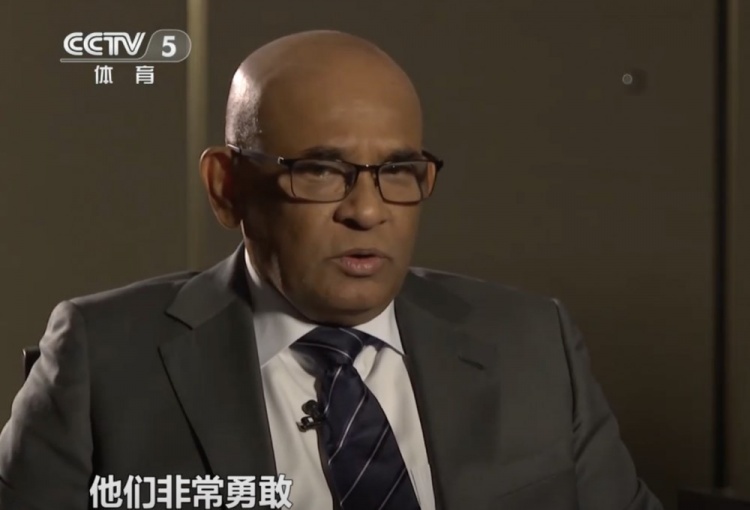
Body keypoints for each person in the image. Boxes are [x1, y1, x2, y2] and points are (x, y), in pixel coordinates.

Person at [0, 30, 663, 510]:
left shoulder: (532, 341)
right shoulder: (104, 359)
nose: (368, 211)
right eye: (320, 170)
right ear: (227, 187)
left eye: (398, 171)